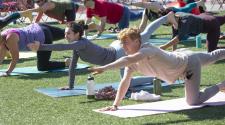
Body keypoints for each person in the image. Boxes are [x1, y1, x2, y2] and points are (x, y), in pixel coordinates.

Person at [27, 12, 178, 90]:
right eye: (65, 33)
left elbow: (61, 47)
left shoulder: (80, 44)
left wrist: (41, 46)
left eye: (68, 34)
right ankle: (159, 77)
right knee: (127, 82)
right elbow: (72, 65)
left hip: (118, 54)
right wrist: (71, 86)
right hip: (113, 50)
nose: (65, 36)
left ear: (77, 34)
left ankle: (167, 17)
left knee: (144, 35)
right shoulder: (77, 46)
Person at [89, 27, 225, 111]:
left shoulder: (147, 50)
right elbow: (125, 82)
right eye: (122, 43)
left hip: (189, 63)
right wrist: (115, 105)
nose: (123, 46)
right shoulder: (130, 60)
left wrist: (105, 68)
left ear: (137, 41)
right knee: (212, 56)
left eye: (126, 43)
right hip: (182, 58)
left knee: (193, 101)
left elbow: (129, 60)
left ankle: (221, 86)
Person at [0, 23, 70, 77]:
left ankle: (67, 63)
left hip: (43, 37)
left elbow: (15, 58)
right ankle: (80, 27)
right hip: (38, 26)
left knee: (42, 67)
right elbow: (1, 56)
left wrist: (8, 72)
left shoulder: (10, 39)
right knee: (67, 33)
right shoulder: (3, 35)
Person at [159, 12, 225, 52]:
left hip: (212, 25)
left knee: (211, 51)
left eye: (169, 23)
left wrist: (164, 47)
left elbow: (177, 39)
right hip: (206, 16)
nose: (171, 25)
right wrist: (174, 52)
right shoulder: (177, 16)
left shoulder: (185, 22)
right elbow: (174, 37)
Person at [126, 0, 205, 32]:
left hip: (171, 13)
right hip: (167, 22)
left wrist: (131, 3)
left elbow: (144, 4)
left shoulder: (155, 5)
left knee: (186, 9)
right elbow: (142, 25)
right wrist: (138, 35)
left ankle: (200, 3)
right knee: (186, 9)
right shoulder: (146, 12)